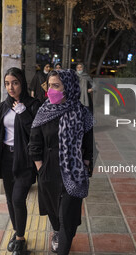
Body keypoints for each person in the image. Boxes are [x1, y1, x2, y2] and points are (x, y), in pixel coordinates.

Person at [28, 69, 94, 254]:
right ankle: (58, 232)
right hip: (49, 171)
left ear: (69, 88)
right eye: (49, 86)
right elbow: (34, 143)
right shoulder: (44, 111)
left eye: (56, 86)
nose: (51, 90)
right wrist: (41, 169)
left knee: (67, 215)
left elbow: (89, 145)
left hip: (73, 172)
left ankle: (63, 243)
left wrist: (86, 165)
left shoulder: (82, 113)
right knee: (54, 212)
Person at [0, 67, 41, 255]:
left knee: (17, 199)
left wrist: (24, 115)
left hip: (24, 160)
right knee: (10, 200)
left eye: (14, 83)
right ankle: (18, 232)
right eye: (7, 83)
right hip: (6, 159)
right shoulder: (3, 107)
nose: (11, 87)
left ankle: (20, 240)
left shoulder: (33, 105)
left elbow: (38, 135)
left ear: (21, 83)